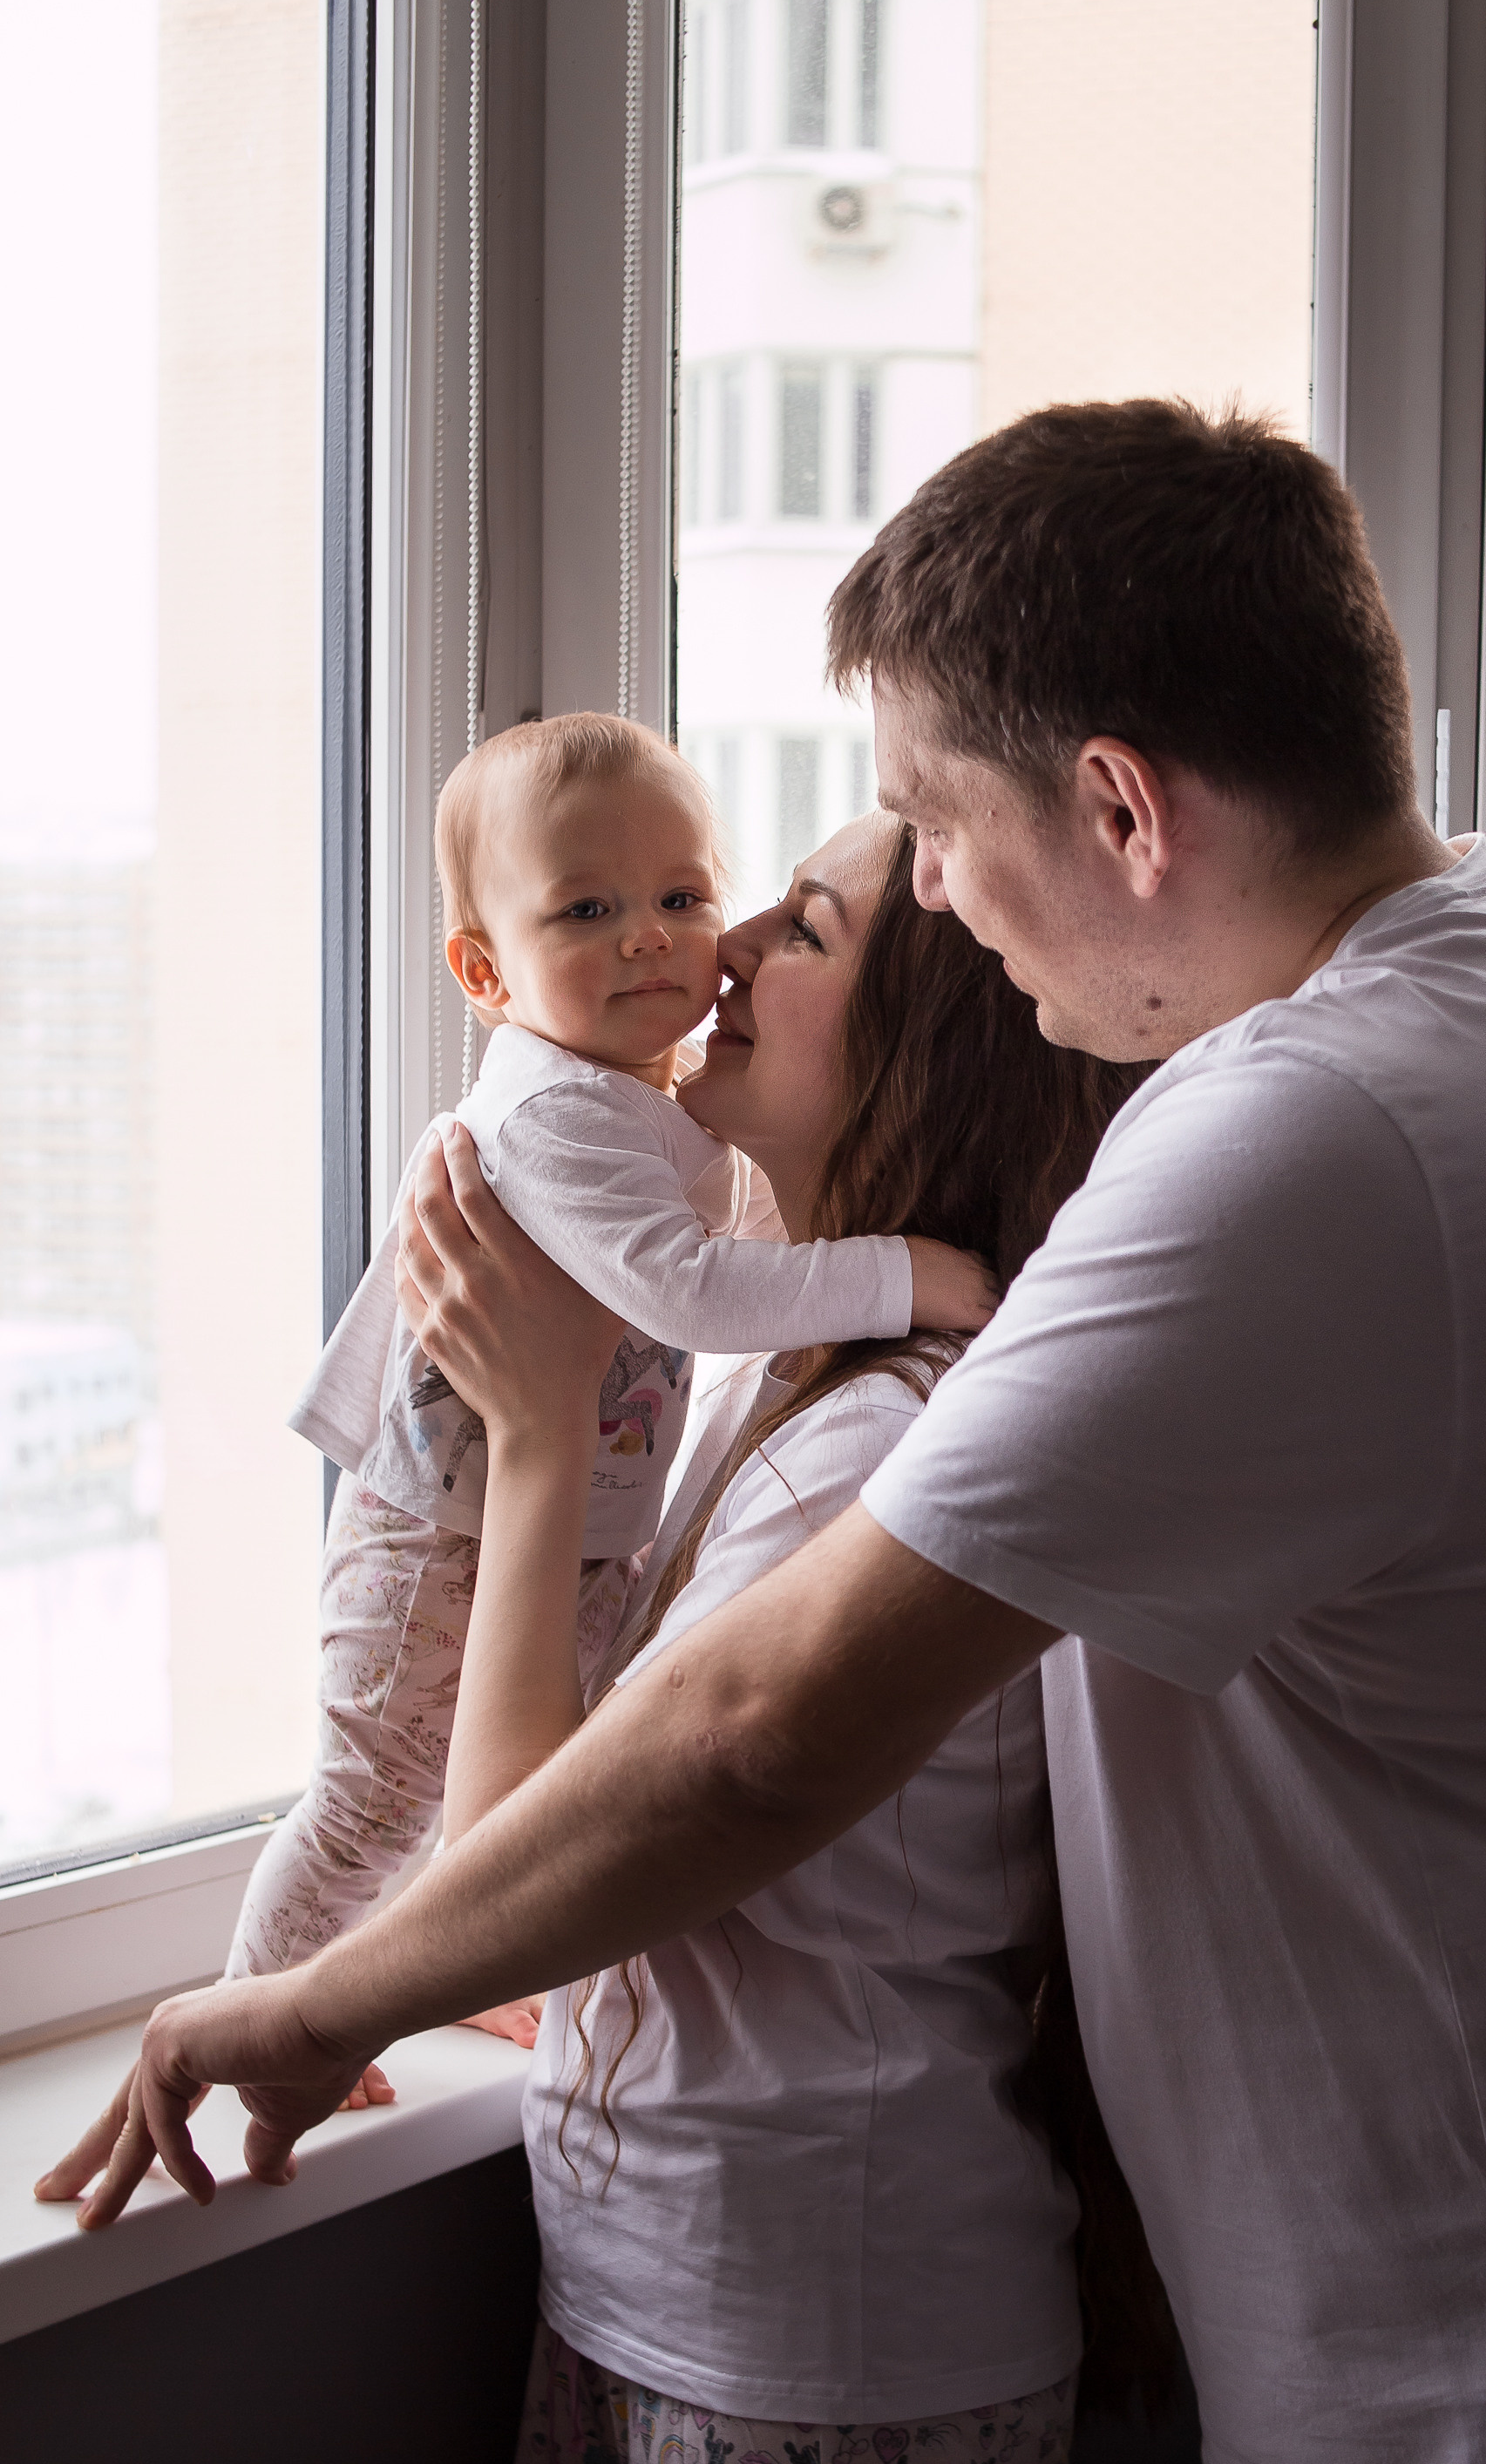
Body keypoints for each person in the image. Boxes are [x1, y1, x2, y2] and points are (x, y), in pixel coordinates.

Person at [47, 402, 1486, 2464]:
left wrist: (315, 2004)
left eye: (927, 817)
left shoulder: (1314, 1131)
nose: (919, 885)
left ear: (1118, 805)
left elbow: (757, 1733)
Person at [434, 812, 1144, 2464]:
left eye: (801, 927)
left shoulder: (875, 1448)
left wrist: (534, 1439)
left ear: (924, 1044)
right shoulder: (774, 1363)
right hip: (675, 2286)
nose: (722, 941)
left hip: (821, 2348)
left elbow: (518, 1868)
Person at [223, 711, 992, 2040]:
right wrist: (908, 1271)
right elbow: (692, 1290)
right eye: (586, 909)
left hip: (567, 1532)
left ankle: (433, 1976)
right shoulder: (555, 1107)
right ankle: (271, 2003)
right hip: (436, 1538)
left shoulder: (648, 1101)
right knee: (368, 1793)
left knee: (500, 1794)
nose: (671, 938)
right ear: (485, 971)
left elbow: (734, 1248)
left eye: (687, 896)